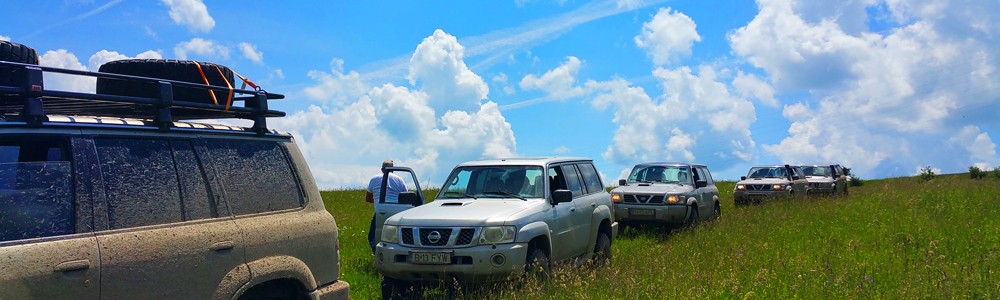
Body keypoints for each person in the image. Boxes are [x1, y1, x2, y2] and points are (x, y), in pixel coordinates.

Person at [366, 159, 407, 253]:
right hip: (397, 212)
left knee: (373, 236)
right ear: (393, 169)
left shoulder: (374, 179)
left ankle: (377, 255)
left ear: (382, 169)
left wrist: (377, 199)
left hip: (381, 211)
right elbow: (406, 197)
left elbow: (368, 198)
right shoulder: (399, 180)